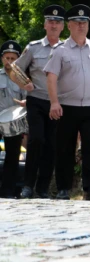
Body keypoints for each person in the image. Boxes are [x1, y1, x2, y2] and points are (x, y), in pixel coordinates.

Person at [44, 4, 90, 201]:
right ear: (70, 25)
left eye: (85, 23)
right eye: (77, 23)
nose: (81, 26)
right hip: (67, 106)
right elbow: (51, 78)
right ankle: (64, 188)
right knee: (65, 147)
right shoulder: (60, 50)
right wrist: (54, 102)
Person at [9, 4, 65, 199]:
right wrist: (25, 84)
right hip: (36, 100)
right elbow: (14, 69)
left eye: (57, 22)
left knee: (51, 144)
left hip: (57, 103)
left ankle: (42, 187)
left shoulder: (67, 49)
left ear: (63, 26)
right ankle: (27, 185)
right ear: (45, 25)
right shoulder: (33, 48)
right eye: (50, 21)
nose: (54, 25)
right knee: (36, 140)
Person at [0, 41, 27, 198]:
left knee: (12, 156)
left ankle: (7, 191)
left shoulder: (23, 79)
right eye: (6, 57)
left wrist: (25, 103)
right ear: (2, 58)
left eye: (13, 58)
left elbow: (28, 98)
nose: (9, 61)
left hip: (14, 123)